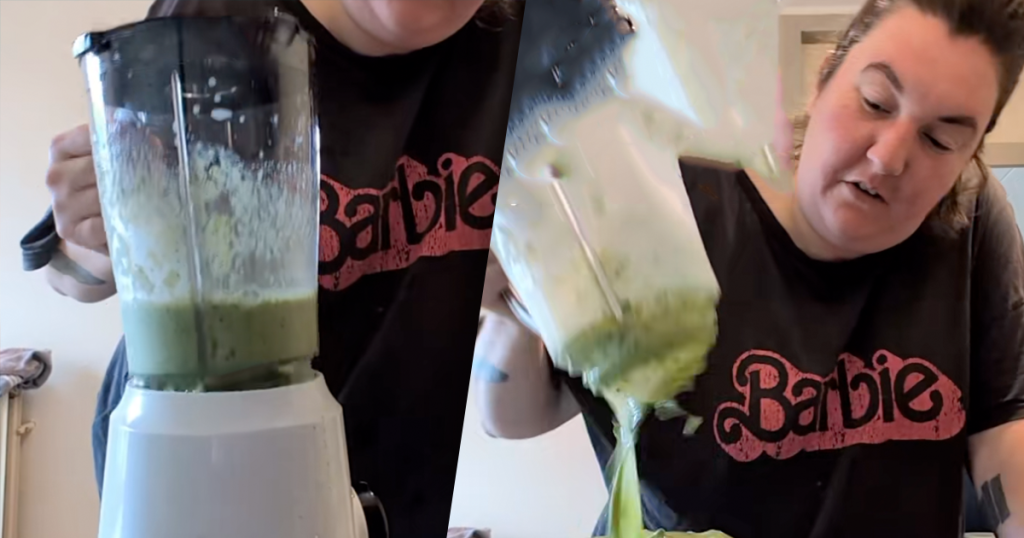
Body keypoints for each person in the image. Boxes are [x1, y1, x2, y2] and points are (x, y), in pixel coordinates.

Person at [475, 0, 1024, 537]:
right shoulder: (672, 201)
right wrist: (519, 298)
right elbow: (513, 417)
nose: (889, 156)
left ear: (969, 156)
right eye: (876, 102)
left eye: (940, 140)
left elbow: (1006, 431)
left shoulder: (968, 225)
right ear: (825, 77)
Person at [21, 1, 522, 536]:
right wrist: (105, 233)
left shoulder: (525, 40)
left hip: (403, 477)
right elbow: (68, 272)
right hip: (196, 472)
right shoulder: (216, 18)